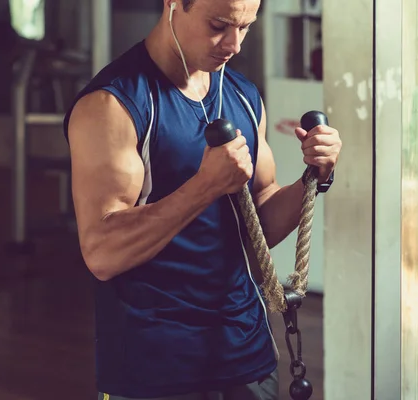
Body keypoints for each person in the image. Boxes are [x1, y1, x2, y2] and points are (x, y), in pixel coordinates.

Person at [62, 0, 342, 399]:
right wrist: (204, 186)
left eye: (245, 28)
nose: (234, 44)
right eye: (219, 25)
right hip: (155, 365)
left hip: (246, 352)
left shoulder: (243, 95)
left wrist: (315, 176)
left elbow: (257, 228)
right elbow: (102, 254)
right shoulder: (113, 106)